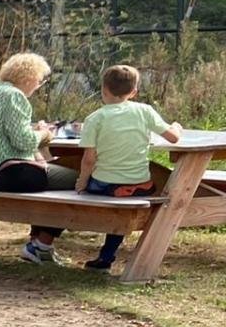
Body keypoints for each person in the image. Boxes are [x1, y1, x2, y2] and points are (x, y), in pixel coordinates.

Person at [0, 53, 78, 264]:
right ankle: (42, 243)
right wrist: (44, 133)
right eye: (40, 81)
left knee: (48, 179)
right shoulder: (14, 96)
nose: (39, 86)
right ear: (30, 77)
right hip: (1, 173)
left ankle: (37, 242)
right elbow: (24, 142)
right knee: (78, 181)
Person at [76, 63, 182, 272]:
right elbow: (173, 138)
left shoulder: (95, 118)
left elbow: (89, 159)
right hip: (140, 184)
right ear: (134, 92)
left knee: (84, 188)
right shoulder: (145, 111)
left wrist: (81, 181)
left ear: (103, 90)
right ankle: (106, 256)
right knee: (124, 200)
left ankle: (43, 242)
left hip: (103, 184)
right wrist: (177, 126)